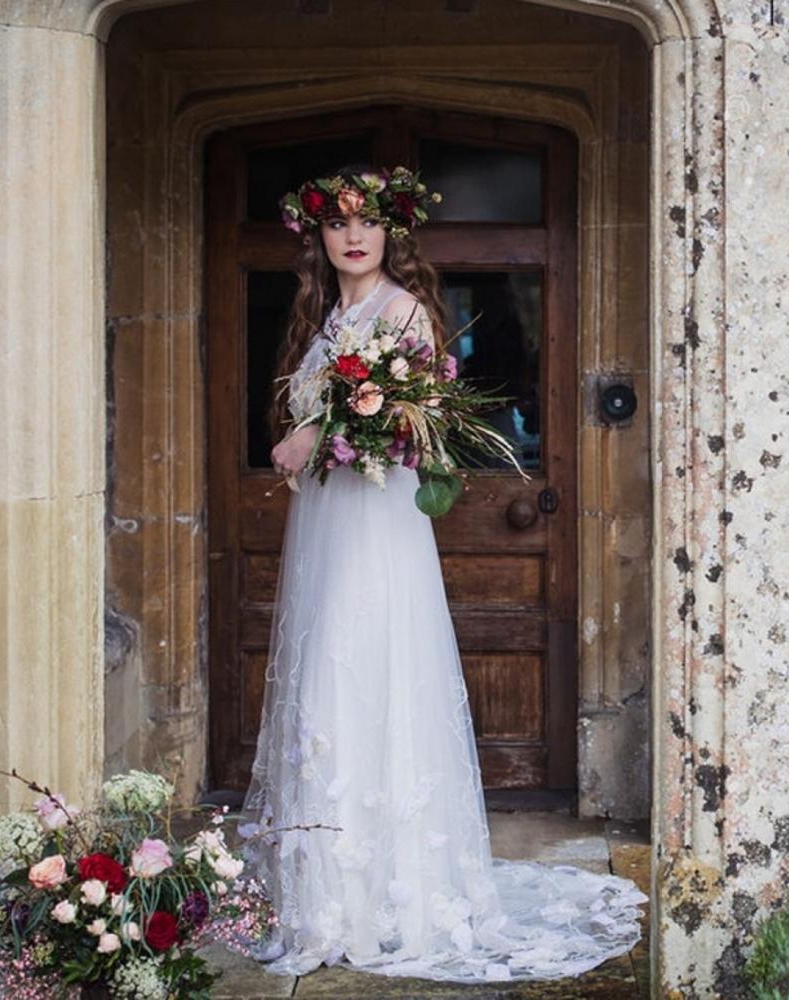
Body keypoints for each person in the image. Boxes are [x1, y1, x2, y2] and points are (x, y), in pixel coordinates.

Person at [238, 163, 644, 982]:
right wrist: (307, 436)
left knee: (368, 670)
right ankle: (329, 894)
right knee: (324, 682)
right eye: (338, 224)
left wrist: (312, 439)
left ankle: (397, 894)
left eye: (369, 223)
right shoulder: (324, 316)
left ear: (391, 233)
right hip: (326, 526)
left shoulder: (406, 313)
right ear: (318, 237)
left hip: (376, 531)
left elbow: (412, 432)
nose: (354, 237)